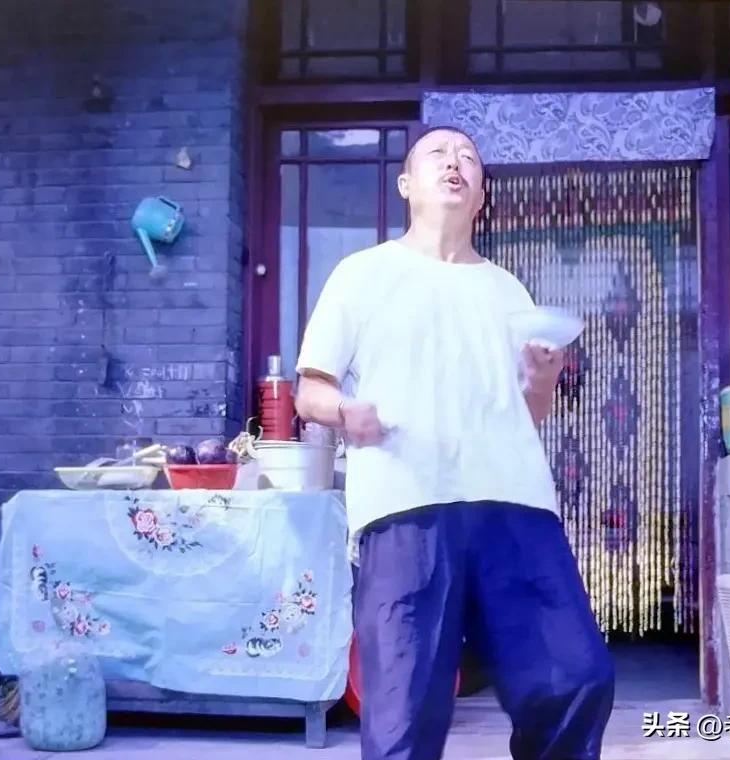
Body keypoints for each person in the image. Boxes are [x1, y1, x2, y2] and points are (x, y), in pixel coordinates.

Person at [293, 126, 615, 760]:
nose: (455, 163)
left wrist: (543, 380)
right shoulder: (361, 275)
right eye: (438, 154)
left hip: (513, 504)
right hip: (406, 506)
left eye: (468, 158)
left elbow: (525, 412)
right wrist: (346, 412)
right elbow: (310, 391)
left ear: (481, 195)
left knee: (574, 678)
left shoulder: (507, 291)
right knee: (404, 713)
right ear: (406, 184)